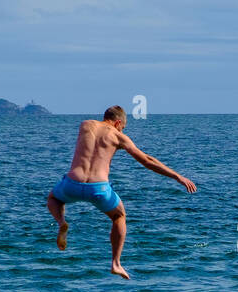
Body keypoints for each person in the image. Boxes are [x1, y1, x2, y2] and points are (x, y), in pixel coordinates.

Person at [45, 105, 196, 279]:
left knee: (53, 198)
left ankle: (62, 222)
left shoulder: (85, 125)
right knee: (119, 216)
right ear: (118, 123)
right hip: (98, 187)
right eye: (123, 127)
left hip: (73, 183)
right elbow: (147, 160)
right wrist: (178, 177)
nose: (122, 130)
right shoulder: (118, 136)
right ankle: (116, 263)